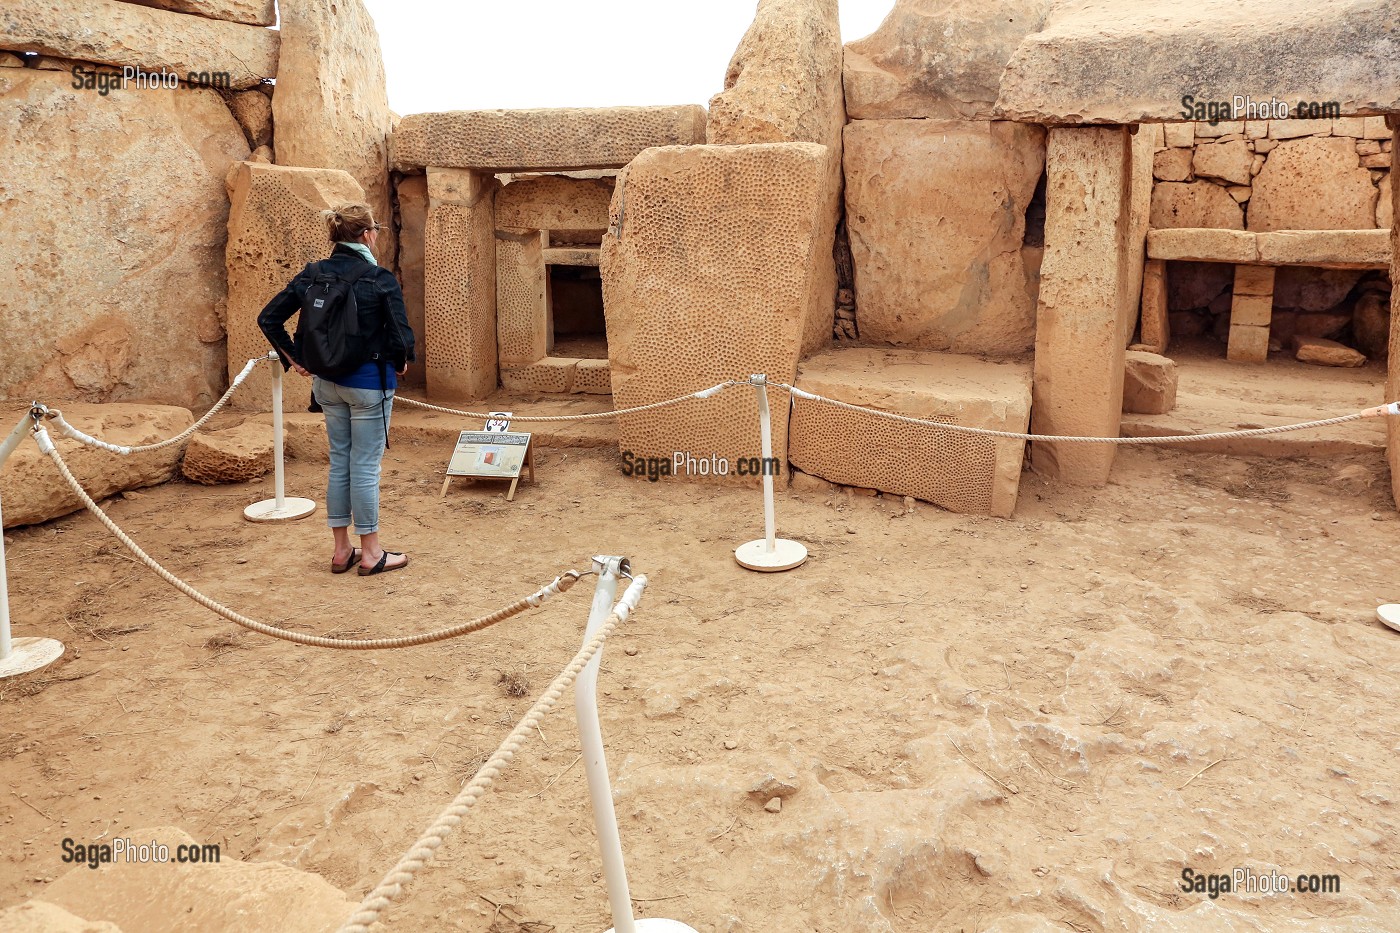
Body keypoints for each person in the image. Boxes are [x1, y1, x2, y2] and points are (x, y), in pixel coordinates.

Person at [257, 203, 415, 576]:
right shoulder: (379, 278)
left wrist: (296, 360)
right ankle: (373, 552)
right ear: (366, 235)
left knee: (340, 462)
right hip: (367, 385)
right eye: (374, 229)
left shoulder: (313, 274)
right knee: (364, 466)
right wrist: (402, 360)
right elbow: (400, 333)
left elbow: (269, 318)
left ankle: (342, 550)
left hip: (326, 383)